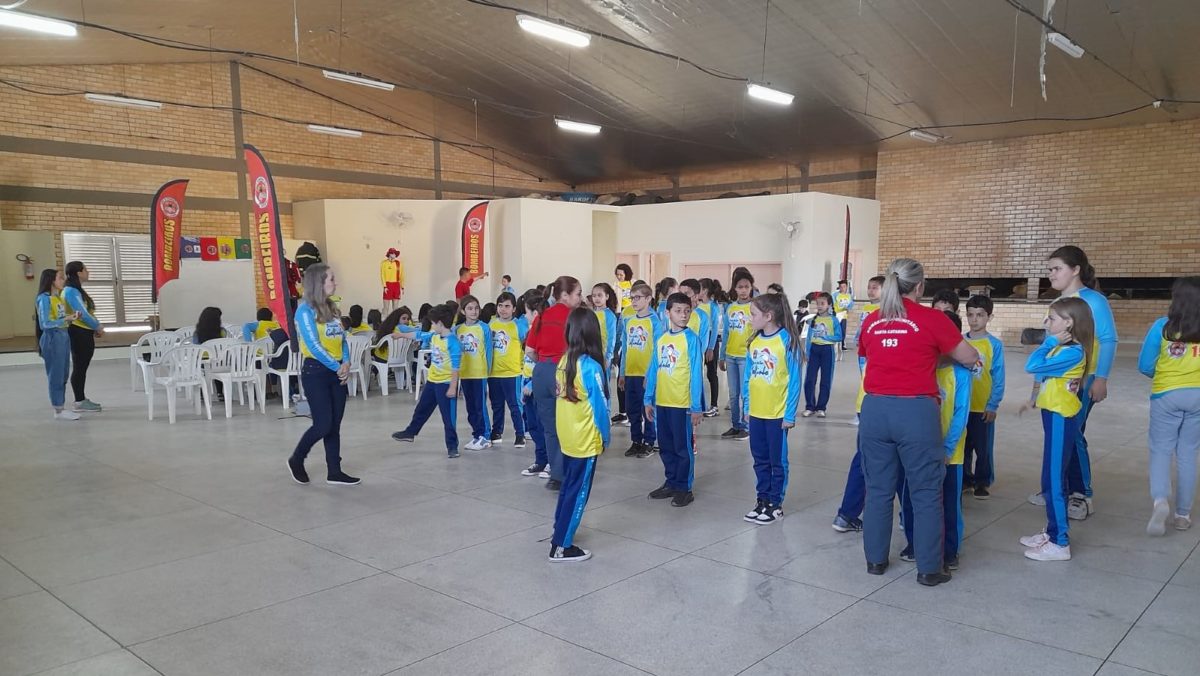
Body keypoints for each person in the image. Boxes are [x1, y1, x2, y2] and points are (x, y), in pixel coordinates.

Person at [858, 258, 978, 587]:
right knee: (925, 492)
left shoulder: (872, 321)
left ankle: (875, 560)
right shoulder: (933, 319)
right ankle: (929, 569)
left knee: (879, 490)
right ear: (921, 286)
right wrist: (933, 355)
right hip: (916, 412)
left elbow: (870, 355)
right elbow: (968, 357)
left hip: (875, 410)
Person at [1029, 246, 1117, 521]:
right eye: (1049, 270)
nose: (1051, 274)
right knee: (1058, 435)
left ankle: (1081, 494)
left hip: (1082, 379)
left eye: (1057, 269)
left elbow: (1108, 339)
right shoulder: (1058, 303)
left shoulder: (1094, 301)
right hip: (1056, 380)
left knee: (1073, 433)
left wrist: (1100, 378)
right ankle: (1058, 488)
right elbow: (1049, 346)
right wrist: (1037, 384)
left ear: (1076, 269)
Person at [1019, 297, 1093, 561]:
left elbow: (1032, 365)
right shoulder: (1062, 348)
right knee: (1050, 478)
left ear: (1069, 323)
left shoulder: (1071, 351)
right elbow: (1040, 374)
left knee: (1052, 480)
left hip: (1062, 418)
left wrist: (1048, 341)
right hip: (1052, 415)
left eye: (1051, 319)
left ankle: (1060, 541)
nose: (1045, 323)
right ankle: (1052, 531)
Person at [900, 311, 972, 570]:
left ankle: (949, 551)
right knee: (911, 498)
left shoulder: (961, 375)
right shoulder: (921, 368)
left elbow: (960, 416)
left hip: (950, 454)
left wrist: (947, 449)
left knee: (948, 503)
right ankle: (914, 543)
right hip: (916, 451)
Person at [1138, 277, 1200, 535]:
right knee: (1188, 454)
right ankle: (1183, 514)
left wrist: (1164, 375)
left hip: (1166, 395)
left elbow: (1145, 365)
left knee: (1161, 450)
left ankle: (1161, 499)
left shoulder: (1161, 327)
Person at [548, 307, 611, 563]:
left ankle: (559, 530)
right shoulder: (591, 367)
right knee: (579, 491)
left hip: (568, 437)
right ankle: (561, 546)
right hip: (585, 439)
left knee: (568, 488)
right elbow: (601, 408)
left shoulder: (564, 361)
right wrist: (605, 438)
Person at [288, 263, 360, 486]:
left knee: (335, 424)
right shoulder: (304, 311)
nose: (335, 283)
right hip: (316, 372)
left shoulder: (333, 309)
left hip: (336, 371)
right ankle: (297, 459)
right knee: (323, 424)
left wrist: (345, 361)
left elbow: (342, 339)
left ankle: (334, 471)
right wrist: (336, 366)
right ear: (319, 282)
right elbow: (313, 345)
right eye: (331, 279)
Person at [742, 291, 803, 524]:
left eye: (753, 314)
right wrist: (747, 406)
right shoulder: (754, 341)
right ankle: (762, 499)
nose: (750, 318)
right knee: (759, 459)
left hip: (777, 415)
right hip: (756, 413)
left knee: (777, 460)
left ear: (768, 316)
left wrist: (789, 414)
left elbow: (795, 380)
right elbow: (749, 377)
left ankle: (775, 503)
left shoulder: (787, 340)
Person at [644, 292, 704, 508]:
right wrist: (648, 398)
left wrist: (696, 407)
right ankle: (671, 481)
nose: (683, 315)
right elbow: (654, 370)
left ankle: (684, 488)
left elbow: (696, 373)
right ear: (667, 313)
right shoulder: (661, 339)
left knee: (682, 447)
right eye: (678, 311)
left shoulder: (692, 339)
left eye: (687, 311)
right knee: (666, 445)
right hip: (662, 402)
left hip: (682, 404)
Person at [526, 276, 584, 490]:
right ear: (565, 295)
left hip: (540, 372)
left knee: (550, 428)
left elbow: (530, 351)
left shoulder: (541, 316)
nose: (580, 298)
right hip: (564, 371)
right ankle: (572, 472)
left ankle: (556, 476)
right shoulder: (574, 317)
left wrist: (545, 362)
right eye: (577, 294)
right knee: (571, 423)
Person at [392, 304, 463, 457]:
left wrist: (452, 387)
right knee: (421, 409)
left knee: (448, 418)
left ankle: (452, 447)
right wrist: (400, 335)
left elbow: (456, 368)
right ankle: (410, 432)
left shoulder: (453, 343)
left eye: (432, 323)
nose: (431, 325)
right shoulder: (434, 336)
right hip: (432, 382)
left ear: (440, 323)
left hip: (445, 384)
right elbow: (418, 335)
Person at [963, 295, 1006, 498]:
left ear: (990, 317)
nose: (974, 319)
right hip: (963, 405)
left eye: (980, 315)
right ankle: (965, 478)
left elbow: (998, 376)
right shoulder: (960, 341)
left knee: (983, 447)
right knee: (964, 446)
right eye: (970, 314)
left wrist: (993, 404)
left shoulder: (994, 345)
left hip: (983, 407)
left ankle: (982, 481)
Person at [619, 282, 663, 457]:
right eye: (632, 298)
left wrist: (650, 374)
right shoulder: (628, 321)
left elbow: (658, 350)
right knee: (632, 409)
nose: (634, 301)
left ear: (648, 299)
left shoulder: (655, 322)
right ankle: (636, 440)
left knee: (648, 409)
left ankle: (649, 441)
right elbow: (625, 348)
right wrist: (622, 373)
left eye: (637, 298)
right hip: (631, 373)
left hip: (646, 375)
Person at [36, 269, 79, 421]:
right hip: (53, 339)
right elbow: (45, 324)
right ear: (51, 280)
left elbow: (58, 317)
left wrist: (70, 317)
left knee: (63, 373)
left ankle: (60, 406)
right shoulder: (44, 299)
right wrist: (65, 320)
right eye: (60, 278)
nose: (63, 280)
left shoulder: (57, 298)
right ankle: (58, 409)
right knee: (56, 374)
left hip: (62, 336)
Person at [61, 261, 103, 412]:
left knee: (81, 366)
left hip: (83, 331)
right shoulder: (71, 291)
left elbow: (86, 311)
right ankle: (79, 401)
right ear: (78, 272)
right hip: (78, 332)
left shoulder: (75, 290)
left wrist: (94, 326)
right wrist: (97, 326)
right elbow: (82, 314)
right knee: (80, 367)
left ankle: (81, 398)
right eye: (85, 269)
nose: (88, 271)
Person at [488, 292, 528, 447]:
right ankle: (496, 432)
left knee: (515, 405)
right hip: (493, 373)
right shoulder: (491, 324)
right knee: (496, 405)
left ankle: (520, 434)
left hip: (512, 372)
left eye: (507, 306)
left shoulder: (519, 325)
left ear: (513, 308)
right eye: (500, 306)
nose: (503, 309)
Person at [455, 295, 493, 451]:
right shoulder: (457, 329)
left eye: (476, 308)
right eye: (470, 308)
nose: (474, 311)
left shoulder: (484, 328)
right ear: (463, 311)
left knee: (480, 406)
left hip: (479, 373)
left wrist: (488, 371)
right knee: (470, 406)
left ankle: (485, 436)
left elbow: (489, 351)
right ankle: (476, 434)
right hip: (465, 373)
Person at [720, 269, 755, 440]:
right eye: (740, 287)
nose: (743, 290)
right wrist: (722, 355)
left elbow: (758, 332)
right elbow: (726, 332)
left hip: (745, 357)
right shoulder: (730, 308)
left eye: (746, 287)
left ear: (751, 288)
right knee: (733, 394)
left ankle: (747, 426)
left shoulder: (754, 308)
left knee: (745, 393)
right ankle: (735, 425)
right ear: (735, 288)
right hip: (731, 356)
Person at [520, 291, 550, 477]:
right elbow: (527, 361)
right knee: (533, 426)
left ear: (536, 314)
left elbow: (544, 361)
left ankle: (551, 462)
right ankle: (540, 461)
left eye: (528, 312)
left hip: (539, 385)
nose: (525, 315)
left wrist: (532, 384)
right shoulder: (530, 331)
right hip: (527, 385)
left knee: (544, 425)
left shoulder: (546, 333)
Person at [802, 292, 841, 417]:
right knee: (809, 379)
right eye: (817, 304)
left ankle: (821, 407)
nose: (819, 306)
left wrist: (826, 337)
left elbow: (839, 336)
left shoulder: (834, 320)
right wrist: (807, 352)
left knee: (825, 380)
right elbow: (809, 337)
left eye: (822, 303)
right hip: (814, 350)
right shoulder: (813, 319)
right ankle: (810, 406)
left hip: (827, 350)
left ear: (829, 305)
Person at [678, 279, 713, 414]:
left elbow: (702, 346)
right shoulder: (674, 315)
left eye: (687, 293)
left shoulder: (702, 316)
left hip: (692, 369)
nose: (683, 297)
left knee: (691, 410)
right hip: (675, 369)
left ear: (697, 295)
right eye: (680, 293)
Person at [590, 283, 619, 400]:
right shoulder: (591, 313)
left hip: (603, 356)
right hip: (591, 354)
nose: (596, 298)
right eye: (594, 296)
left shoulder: (610, 316)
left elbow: (612, 338)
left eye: (599, 295)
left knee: (603, 386)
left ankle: (606, 412)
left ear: (606, 296)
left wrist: (608, 357)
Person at [698, 279, 722, 417]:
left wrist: (710, 348)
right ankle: (701, 404)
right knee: (699, 374)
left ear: (705, 290)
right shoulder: (698, 306)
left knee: (712, 374)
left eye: (699, 288)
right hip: (700, 341)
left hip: (711, 343)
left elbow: (715, 328)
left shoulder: (713, 306)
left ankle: (714, 406)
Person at [380, 247, 404, 313]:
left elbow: (402, 275)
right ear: (389, 254)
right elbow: (382, 275)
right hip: (388, 285)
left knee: (395, 308)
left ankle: (394, 321)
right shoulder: (384, 263)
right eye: (392, 253)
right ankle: (384, 320)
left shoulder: (399, 263)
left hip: (396, 285)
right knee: (386, 307)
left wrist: (402, 287)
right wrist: (384, 286)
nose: (394, 255)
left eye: (395, 253)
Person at [834, 279, 854, 357]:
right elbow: (833, 303)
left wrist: (847, 308)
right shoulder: (835, 295)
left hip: (844, 315)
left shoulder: (848, 296)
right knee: (836, 329)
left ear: (846, 287)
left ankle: (842, 345)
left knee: (843, 330)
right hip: (837, 314)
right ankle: (835, 343)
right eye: (841, 287)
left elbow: (851, 304)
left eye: (844, 286)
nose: (842, 288)